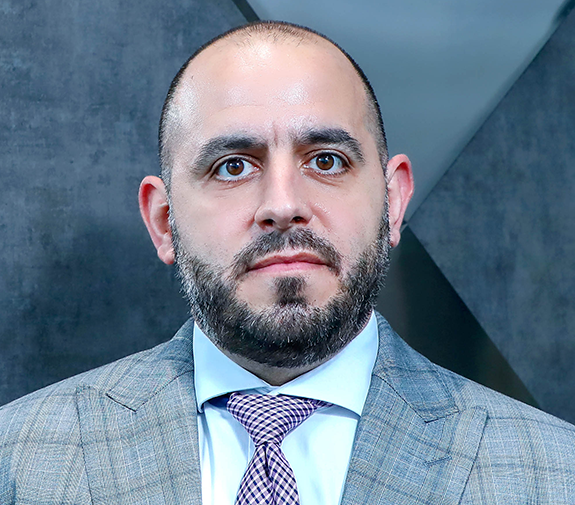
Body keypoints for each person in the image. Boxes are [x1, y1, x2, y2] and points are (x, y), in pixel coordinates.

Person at [1, 20, 574, 505]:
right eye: (232, 166)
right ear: (163, 220)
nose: (282, 204)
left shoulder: (554, 475)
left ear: (393, 203)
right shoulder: (17, 463)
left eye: (326, 160)